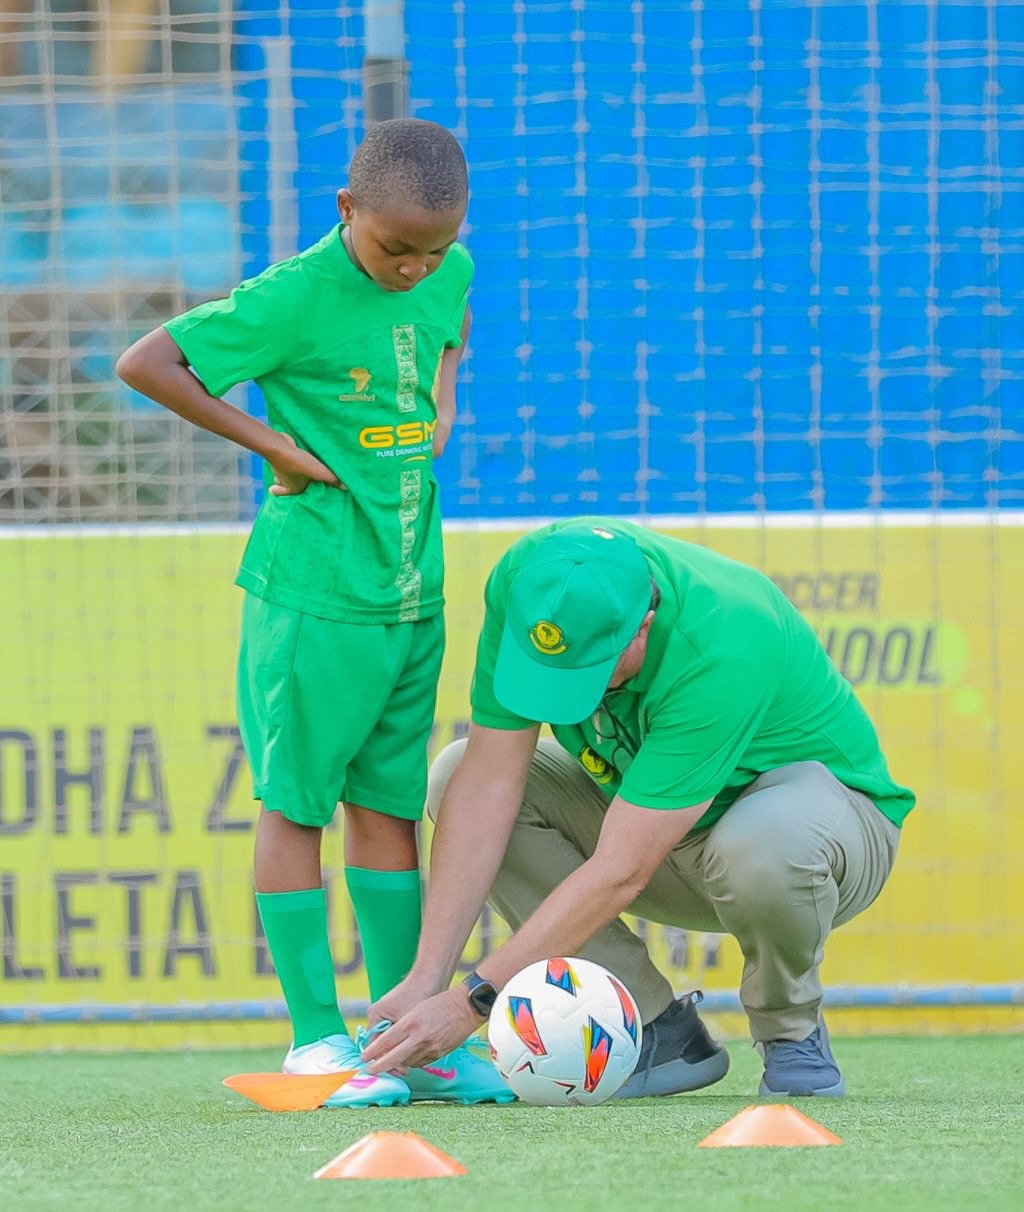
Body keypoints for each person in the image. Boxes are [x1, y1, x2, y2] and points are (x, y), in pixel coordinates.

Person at [117, 117, 512, 1108]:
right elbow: (149, 362)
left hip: (411, 592)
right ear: (345, 212)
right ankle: (313, 1038)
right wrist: (275, 446)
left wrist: (444, 399)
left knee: (386, 811)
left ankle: (405, 1035)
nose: (416, 270)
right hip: (313, 598)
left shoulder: (450, 274)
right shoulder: (291, 296)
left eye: (434, 250)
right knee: (296, 803)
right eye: (394, 250)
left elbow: (450, 338)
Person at [361, 517, 916, 1099]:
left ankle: (790, 1032)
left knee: (760, 844)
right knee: (455, 774)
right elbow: (485, 790)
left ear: (642, 627)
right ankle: (656, 1032)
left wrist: (473, 1000)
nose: (571, 693)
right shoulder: (531, 585)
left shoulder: (723, 636)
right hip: (661, 833)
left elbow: (621, 868)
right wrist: (428, 979)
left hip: (825, 837)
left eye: (590, 672)